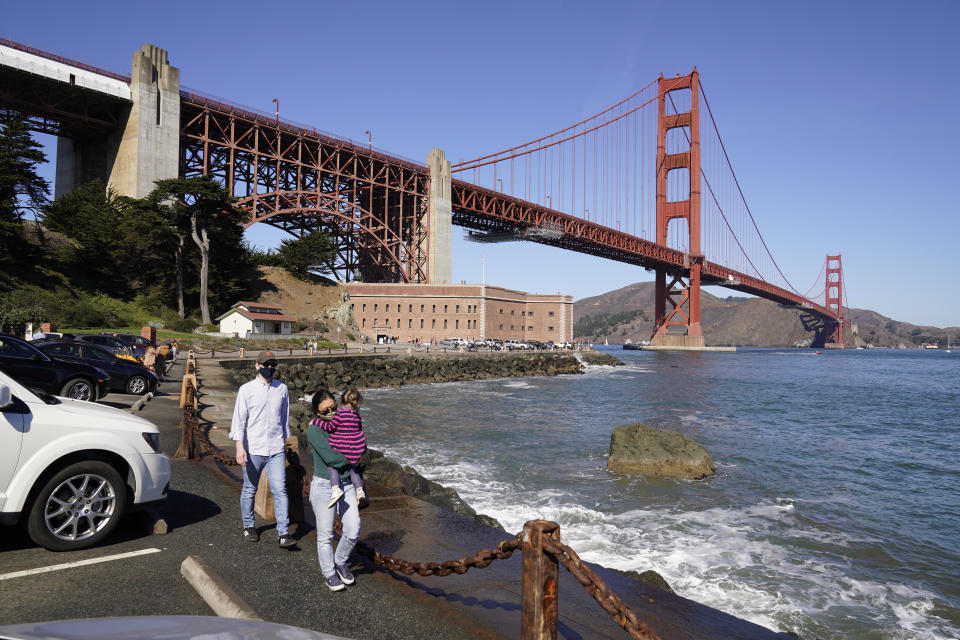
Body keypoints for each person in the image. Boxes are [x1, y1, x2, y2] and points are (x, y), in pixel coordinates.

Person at [229, 350, 295, 547]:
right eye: (265, 365)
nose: (269, 368)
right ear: (257, 365)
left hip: (276, 448)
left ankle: (283, 533)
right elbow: (239, 420)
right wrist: (239, 447)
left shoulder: (281, 389)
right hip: (253, 448)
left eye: (272, 365)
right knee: (250, 489)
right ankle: (249, 526)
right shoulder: (246, 390)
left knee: (280, 490)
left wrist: (285, 442)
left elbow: (284, 417)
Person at [307, 389, 361, 592]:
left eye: (333, 407)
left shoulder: (342, 421)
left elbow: (358, 433)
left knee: (353, 529)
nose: (331, 411)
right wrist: (352, 456)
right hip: (323, 485)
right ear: (316, 412)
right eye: (325, 410)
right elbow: (331, 457)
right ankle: (329, 573)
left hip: (346, 483)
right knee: (325, 535)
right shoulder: (314, 430)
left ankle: (340, 561)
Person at [317, 388, 367, 508]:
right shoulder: (357, 417)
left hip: (339, 447)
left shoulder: (338, 415)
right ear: (357, 403)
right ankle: (360, 491)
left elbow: (330, 427)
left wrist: (316, 422)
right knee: (353, 470)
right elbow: (359, 431)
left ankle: (335, 489)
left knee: (332, 467)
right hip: (353, 449)